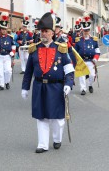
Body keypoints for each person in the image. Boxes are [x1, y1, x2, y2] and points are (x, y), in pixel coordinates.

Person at [21, 12, 74, 153]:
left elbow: (69, 70)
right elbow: (28, 72)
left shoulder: (61, 49)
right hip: (39, 87)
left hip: (56, 87)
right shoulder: (34, 49)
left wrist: (68, 84)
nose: (43, 34)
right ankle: (43, 144)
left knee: (57, 119)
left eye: (46, 31)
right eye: (41, 31)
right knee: (41, 116)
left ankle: (57, 139)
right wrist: (25, 88)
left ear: (52, 33)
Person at [75, 12, 100, 95]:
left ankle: (90, 85)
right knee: (82, 76)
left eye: (87, 30)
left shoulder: (94, 40)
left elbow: (97, 51)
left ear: (89, 30)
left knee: (92, 76)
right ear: (82, 30)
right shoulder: (78, 40)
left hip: (91, 61)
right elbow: (75, 52)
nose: (86, 32)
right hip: (82, 61)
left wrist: (95, 58)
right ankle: (83, 89)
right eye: (85, 30)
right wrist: (76, 60)